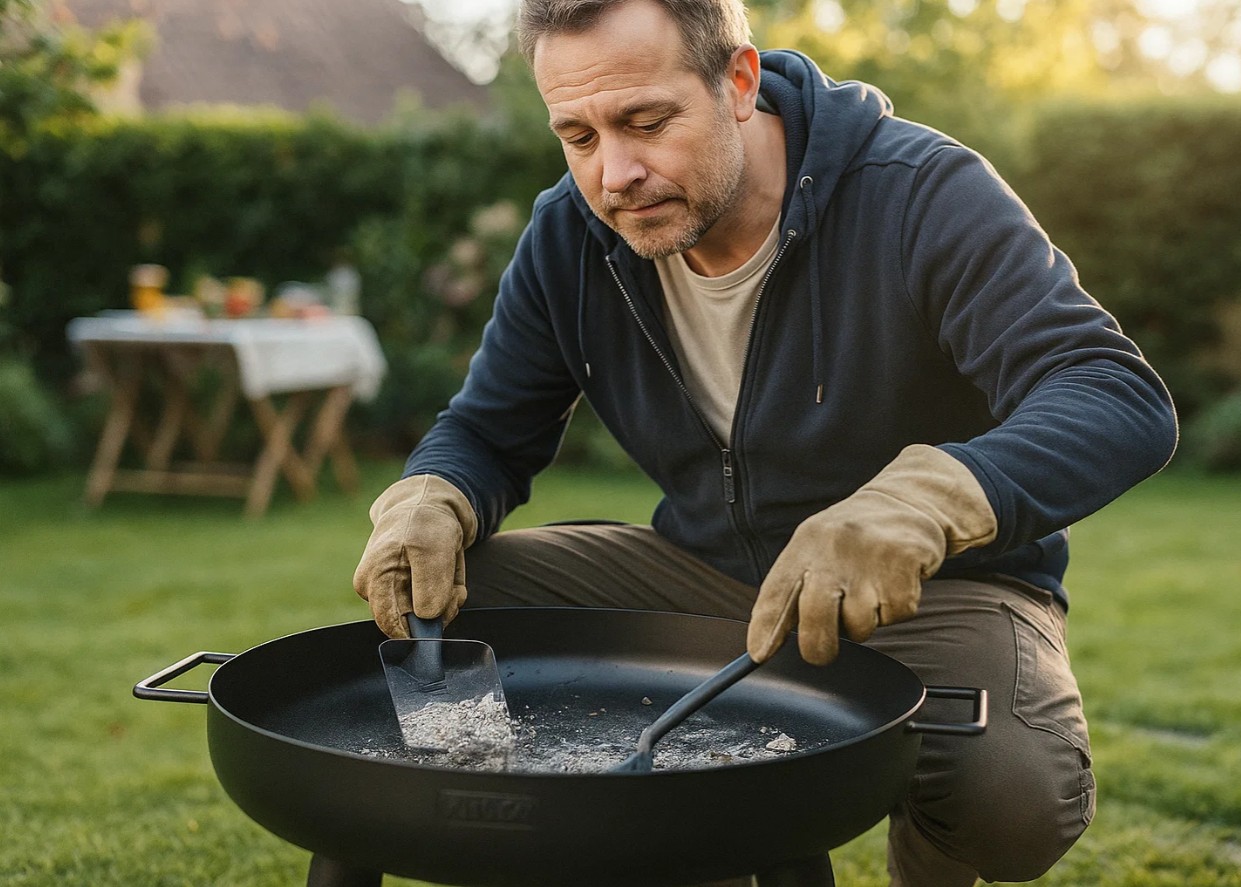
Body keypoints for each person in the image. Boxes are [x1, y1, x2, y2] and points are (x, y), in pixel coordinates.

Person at [354, 0, 1178, 883]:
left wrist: (922, 503)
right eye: (578, 136)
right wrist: (430, 495)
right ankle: (528, 821)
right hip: (704, 572)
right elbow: (485, 429)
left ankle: (926, 857)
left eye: (646, 122)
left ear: (739, 82)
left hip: (936, 591)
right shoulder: (571, 235)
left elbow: (1115, 392)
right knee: (433, 597)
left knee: (1012, 798)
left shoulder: (916, 191)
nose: (616, 174)